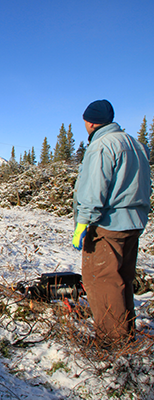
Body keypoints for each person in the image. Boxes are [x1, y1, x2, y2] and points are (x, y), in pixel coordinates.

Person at [72, 99, 151, 345]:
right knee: (122, 279)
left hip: (108, 224)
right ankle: (126, 336)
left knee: (102, 280)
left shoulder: (101, 146)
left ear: (90, 121)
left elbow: (95, 189)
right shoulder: (136, 145)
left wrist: (83, 222)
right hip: (134, 223)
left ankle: (112, 343)